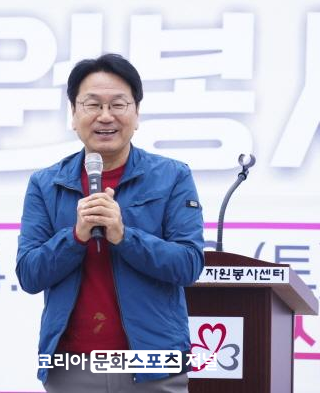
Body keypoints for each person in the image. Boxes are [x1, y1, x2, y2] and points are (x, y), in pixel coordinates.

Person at [16, 53, 205, 392]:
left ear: (137, 113)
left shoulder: (173, 176)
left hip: (154, 365)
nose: (105, 116)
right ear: (74, 114)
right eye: (92, 105)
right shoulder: (46, 184)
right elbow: (29, 274)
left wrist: (124, 236)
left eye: (118, 104)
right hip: (71, 365)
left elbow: (189, 264)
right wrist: (75, 237)